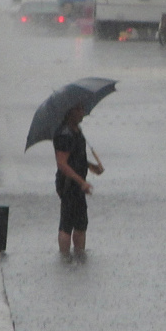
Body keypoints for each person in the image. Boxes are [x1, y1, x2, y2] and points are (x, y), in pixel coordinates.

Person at [53, 103, 104, 262]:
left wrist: (92, 167)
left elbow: (77, 158)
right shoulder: (64, 134)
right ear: (70, 112)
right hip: (68, 184)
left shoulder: (77, 131)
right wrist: (81, 182)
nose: (83, 113)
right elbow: (62, 163)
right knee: (67, 223)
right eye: (79, 109)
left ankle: (80, 255)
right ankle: (65, 258)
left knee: (81, 223)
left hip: (78, 184)